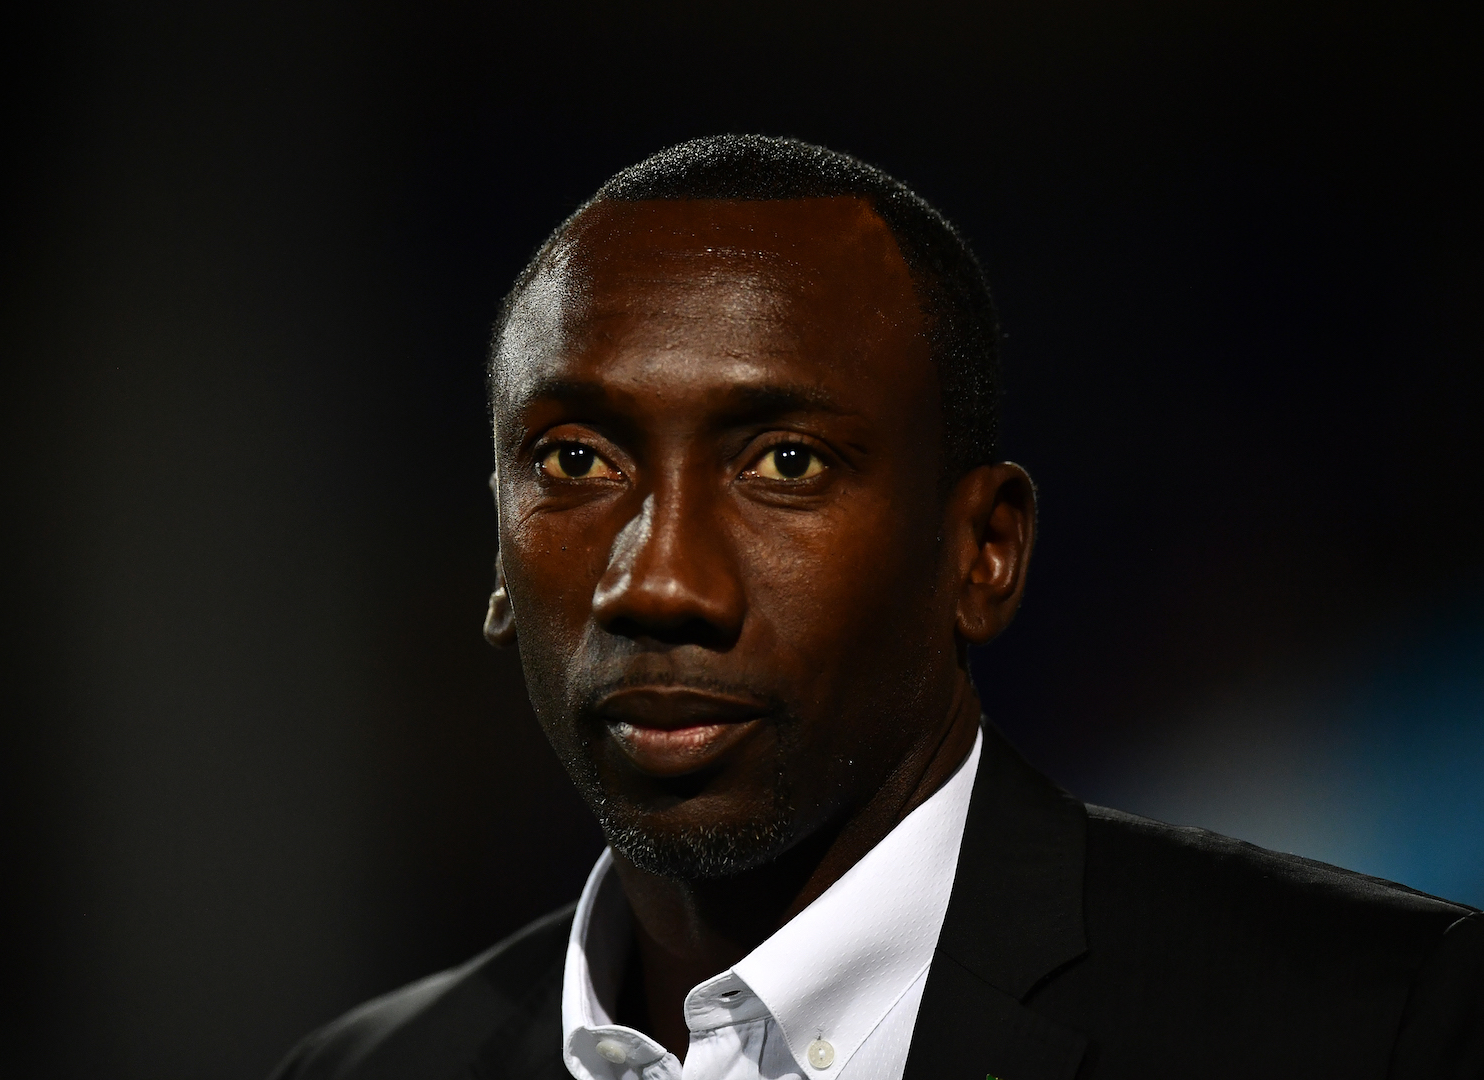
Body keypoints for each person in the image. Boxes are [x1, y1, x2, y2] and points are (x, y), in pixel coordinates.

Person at [270, 136, 1482, 1080]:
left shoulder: (1367, 1027)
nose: (659, 582)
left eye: (786, 463)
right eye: (579, 462)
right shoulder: (370, 1068)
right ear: (496, 552)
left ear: (984, 554)